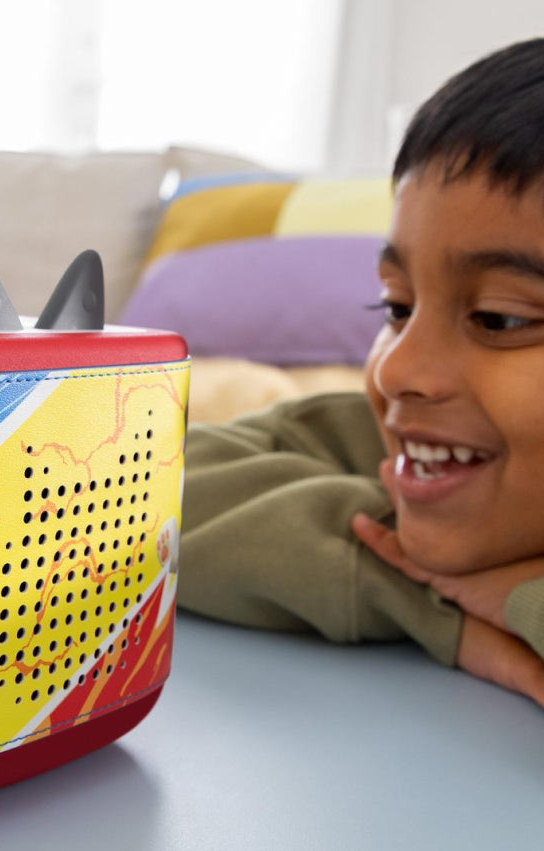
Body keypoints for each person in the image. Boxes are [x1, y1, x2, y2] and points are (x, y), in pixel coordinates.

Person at [179, 38, 544, 708]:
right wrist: (431, 598)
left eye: (500, 318)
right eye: (396, 307)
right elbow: (162, 490)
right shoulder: (405, 447)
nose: (398, 367)